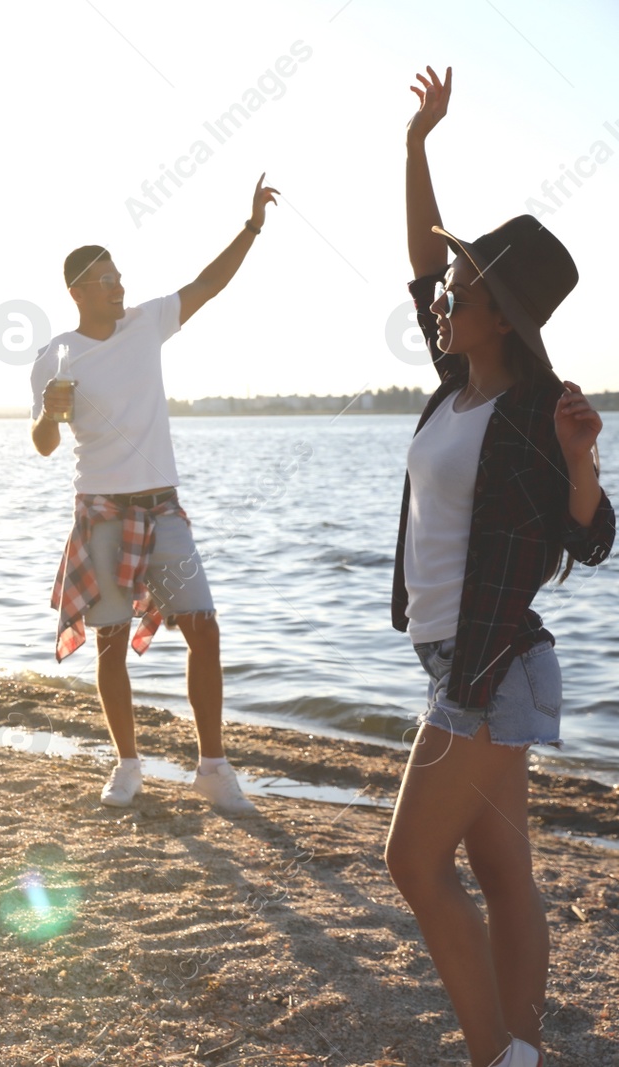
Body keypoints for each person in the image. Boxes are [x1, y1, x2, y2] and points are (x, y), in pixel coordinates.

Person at [382, 67, 613, 1067]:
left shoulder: (530, 412)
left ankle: (497, 1055)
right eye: (445, 287)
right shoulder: (456, 384)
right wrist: (415, 149)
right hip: (463, 657)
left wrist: (578, 464)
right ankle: (517, 1045)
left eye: (460, 292)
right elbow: (418, 253)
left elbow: (594, 536)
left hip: (486, 665)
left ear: (500, 317)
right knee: (495, 867)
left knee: (409, 859)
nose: (440, 297)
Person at [28, 175, 277, 815]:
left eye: (120, 276)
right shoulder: (57, 356)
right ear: (80, 290)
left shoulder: (146, 324)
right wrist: (51, 415)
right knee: (111, 639)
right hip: (103, 513)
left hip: (163, 508)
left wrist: (250, 227)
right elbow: (44, 443)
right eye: (107, 280)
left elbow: (209, 284)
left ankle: (213, 768)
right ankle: (128, 764)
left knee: (205, 629)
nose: (120, 286)